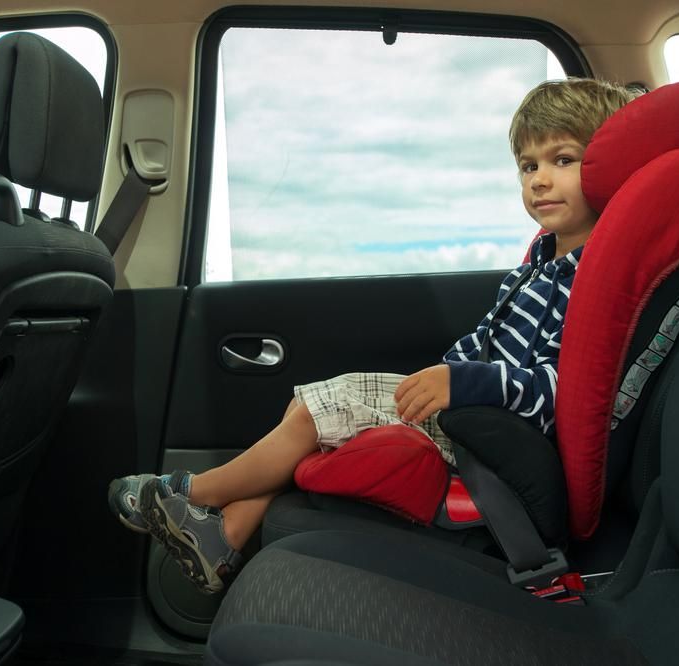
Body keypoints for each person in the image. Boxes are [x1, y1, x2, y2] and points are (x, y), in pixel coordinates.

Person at [107, 78, 637, 594]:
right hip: (468, 416)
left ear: (607, 166)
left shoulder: (593, 280)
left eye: (562, 160)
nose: (539, 180)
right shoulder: (537, 264)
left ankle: (186, 494)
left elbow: (560, 389)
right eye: (528, 166)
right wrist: (451, 371)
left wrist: (465, 383)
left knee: (320, 412)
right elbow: (484, 340)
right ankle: (223, 536)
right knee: (311, 416)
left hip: (495, 439)